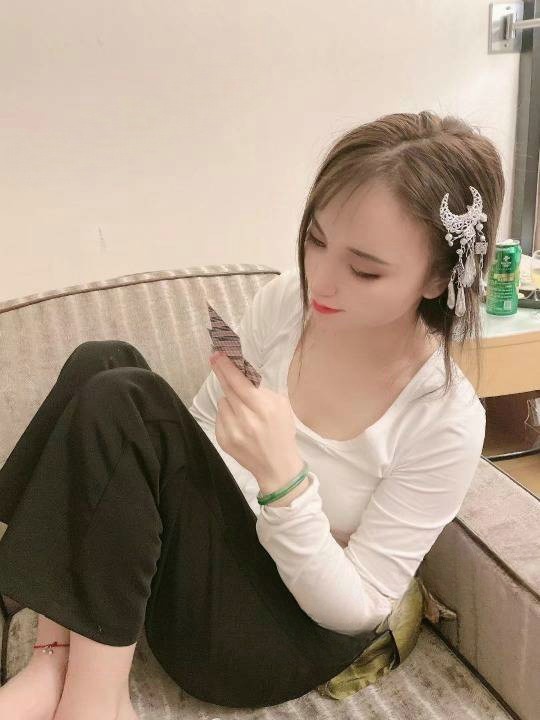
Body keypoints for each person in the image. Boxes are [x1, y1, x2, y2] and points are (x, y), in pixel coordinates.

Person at [0, 110, 505, 718]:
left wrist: (283, 481)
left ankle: (95, 702)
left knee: (128, 400)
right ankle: (53, 661)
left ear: (438, 277)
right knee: (103, 364)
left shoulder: (445, 418)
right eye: (316, 240)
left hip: (280, 637)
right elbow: (196, 435)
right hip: (206, 576)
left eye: (364, 270)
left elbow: (359, 607)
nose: (321, 280)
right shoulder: (289, 304)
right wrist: (224, 462)